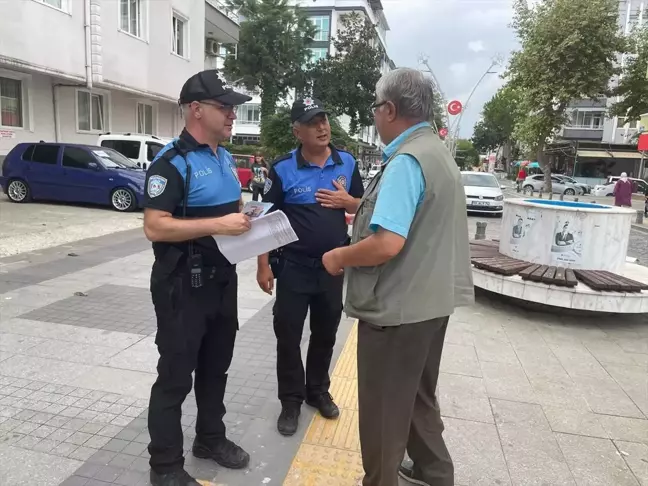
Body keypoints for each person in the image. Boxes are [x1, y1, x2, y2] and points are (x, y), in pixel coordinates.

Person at [321, 68, 474, 486]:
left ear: (389, 109)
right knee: (418, 398)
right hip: (431, 303)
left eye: (375, 107)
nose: (375, 116)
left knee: (385, 408)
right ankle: (433, 472)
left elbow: (387, 243)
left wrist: (339, 256)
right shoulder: (436, 151)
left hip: (398, 311)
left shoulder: (406, 160)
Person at [142, 70, 253, 486]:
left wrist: (244, 223)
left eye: (232, 108)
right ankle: (165, 467)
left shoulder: (223, 155)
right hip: (182, 285)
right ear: (196, 109)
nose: (231, 115)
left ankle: (210, 438)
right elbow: (155, 226)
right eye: (224, 107)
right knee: (175, 376)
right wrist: (217, 226)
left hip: (222, 280)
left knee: (215, 368)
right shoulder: (172, 162)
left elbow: (230, 211)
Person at [256, 97, 364, 437]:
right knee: (288, 335)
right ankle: (290, 400)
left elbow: (366, 206)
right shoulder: (283, 168)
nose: (322, 127)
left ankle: (316, 391)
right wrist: (263, 265)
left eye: (324, 119)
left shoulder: (346, 162)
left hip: (333, 269)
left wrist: (349, 202)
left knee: (325, 334)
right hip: (293, 267)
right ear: (297, 130)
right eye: (313, 122)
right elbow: (265, 219)